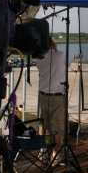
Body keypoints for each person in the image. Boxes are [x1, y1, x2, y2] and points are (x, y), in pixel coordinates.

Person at [36, 37, 71, 166]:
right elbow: (68, 64)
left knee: (44, 124)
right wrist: (55, 50)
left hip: (44, 95)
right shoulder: (60, 55)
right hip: (57, 95)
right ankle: (55, 154)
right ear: (53, 44)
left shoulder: (38, 58)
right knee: (58, 126)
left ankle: (43, 150)